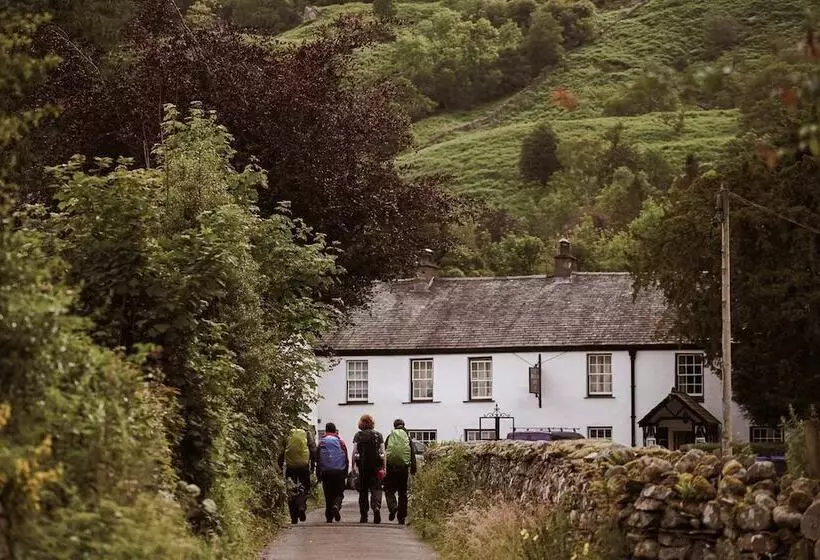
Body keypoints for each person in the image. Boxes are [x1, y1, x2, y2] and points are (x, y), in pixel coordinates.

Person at [279, 424, 317, 524]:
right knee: (305, 488)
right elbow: (313, 450)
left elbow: (282, 451)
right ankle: (301, 506)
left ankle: (294, 518)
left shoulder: (288, 434)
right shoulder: (307, 434)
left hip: (290, 467)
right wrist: (313, 466)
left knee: (291, 491)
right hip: (303, 467)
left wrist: (280, 465)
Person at [351, 414, 385, 524]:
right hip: (376, 467)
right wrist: (384, 467)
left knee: (363, 491)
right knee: (376, 489)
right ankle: (376, 508)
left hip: (363, 467)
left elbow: (355, 452)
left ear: (361, 423)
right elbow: (383, 452)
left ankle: (364, 515)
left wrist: (353, 467)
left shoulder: (358, 435)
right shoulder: (378, 435)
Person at [383, 418, 417, 525]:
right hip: (403, 469)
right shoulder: (407, 437)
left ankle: (393, 507)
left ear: (394, 426)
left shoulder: (390, 437)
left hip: (391, 468)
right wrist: (413, 468)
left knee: (389, 490)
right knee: (403, 493)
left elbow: (384, 452)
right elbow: (412, 453)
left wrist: (383, 468)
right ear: (403, 425)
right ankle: (401, 517)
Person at [316, 422, 349, 523]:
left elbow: (318, 459)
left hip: (326, 472)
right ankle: (336, 505)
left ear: (326, 431)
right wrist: (345, 473)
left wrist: (318, 474)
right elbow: (346, 459)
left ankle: (329, 517)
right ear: (335, 431)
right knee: (339, 493)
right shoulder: (341, 442)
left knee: (328, 495)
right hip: (339, 472)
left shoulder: (321, 443)